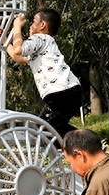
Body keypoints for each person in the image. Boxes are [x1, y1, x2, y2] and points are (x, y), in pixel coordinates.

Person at [5, 8, 81, 139]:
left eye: (34, 21)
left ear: (42, 25)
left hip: (62, 92)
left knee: (46, 129)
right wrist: (4, 40)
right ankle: (86, 143)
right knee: (52, 129)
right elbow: (17, 58)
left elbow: (18, 50)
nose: (30, 25)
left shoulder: (40, 38)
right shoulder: (43, 45)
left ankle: (89, 142)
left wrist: (17, 26)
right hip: (68, 92)